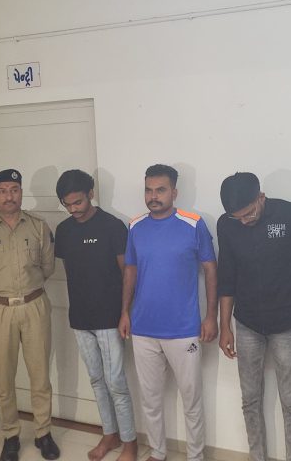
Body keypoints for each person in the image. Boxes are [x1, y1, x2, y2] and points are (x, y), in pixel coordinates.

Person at [216, 172, 291, 461]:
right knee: (250, 399)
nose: (244, 221)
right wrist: (224, 325)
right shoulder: (226, 224)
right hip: (246, 321)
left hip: (287, 321)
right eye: (238, 217)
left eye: (249, 213)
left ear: (261, 197)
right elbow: (226, 276)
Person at [118, 164, 218, 461]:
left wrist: (210, 316)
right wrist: (125, 312)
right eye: (148, 190)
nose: (153, 196)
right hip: (143, 328)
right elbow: (130, 270)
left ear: (174, 192)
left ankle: (195, 456)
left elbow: (210, 269)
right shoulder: (136, 226)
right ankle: (158, 452)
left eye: (160, 190)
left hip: (183, 329)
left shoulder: (194, 223)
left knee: (191, 399)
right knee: (150, 399)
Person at [0, 169, 59, 461]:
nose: (10, 196)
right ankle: (11, 435)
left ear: (20, 192)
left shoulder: (38, 226)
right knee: (3, 377)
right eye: (3, 191)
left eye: (14, 189)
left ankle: (43, 432)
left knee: (40, 375)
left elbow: (48, 267)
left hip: (34, 305)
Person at [53, 170, 138, 461]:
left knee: (116, 383)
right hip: (80, 318)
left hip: (109, 318)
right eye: (67, 204)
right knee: (96, 380)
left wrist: (125, 312)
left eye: (78, 202)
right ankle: (109, 434)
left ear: (91, 194)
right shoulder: (64, 230)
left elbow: (127, 272)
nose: (73, 209)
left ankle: (130, 443)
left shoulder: (112, 226)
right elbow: (71, 271)